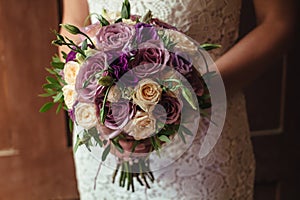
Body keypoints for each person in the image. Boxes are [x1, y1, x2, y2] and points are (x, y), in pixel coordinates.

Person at [60, 0, 296, 199]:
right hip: (103, 146)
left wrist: (188, 95)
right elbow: (73, 24)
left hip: (202, 142)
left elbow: (278, 22)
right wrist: (97, 106)